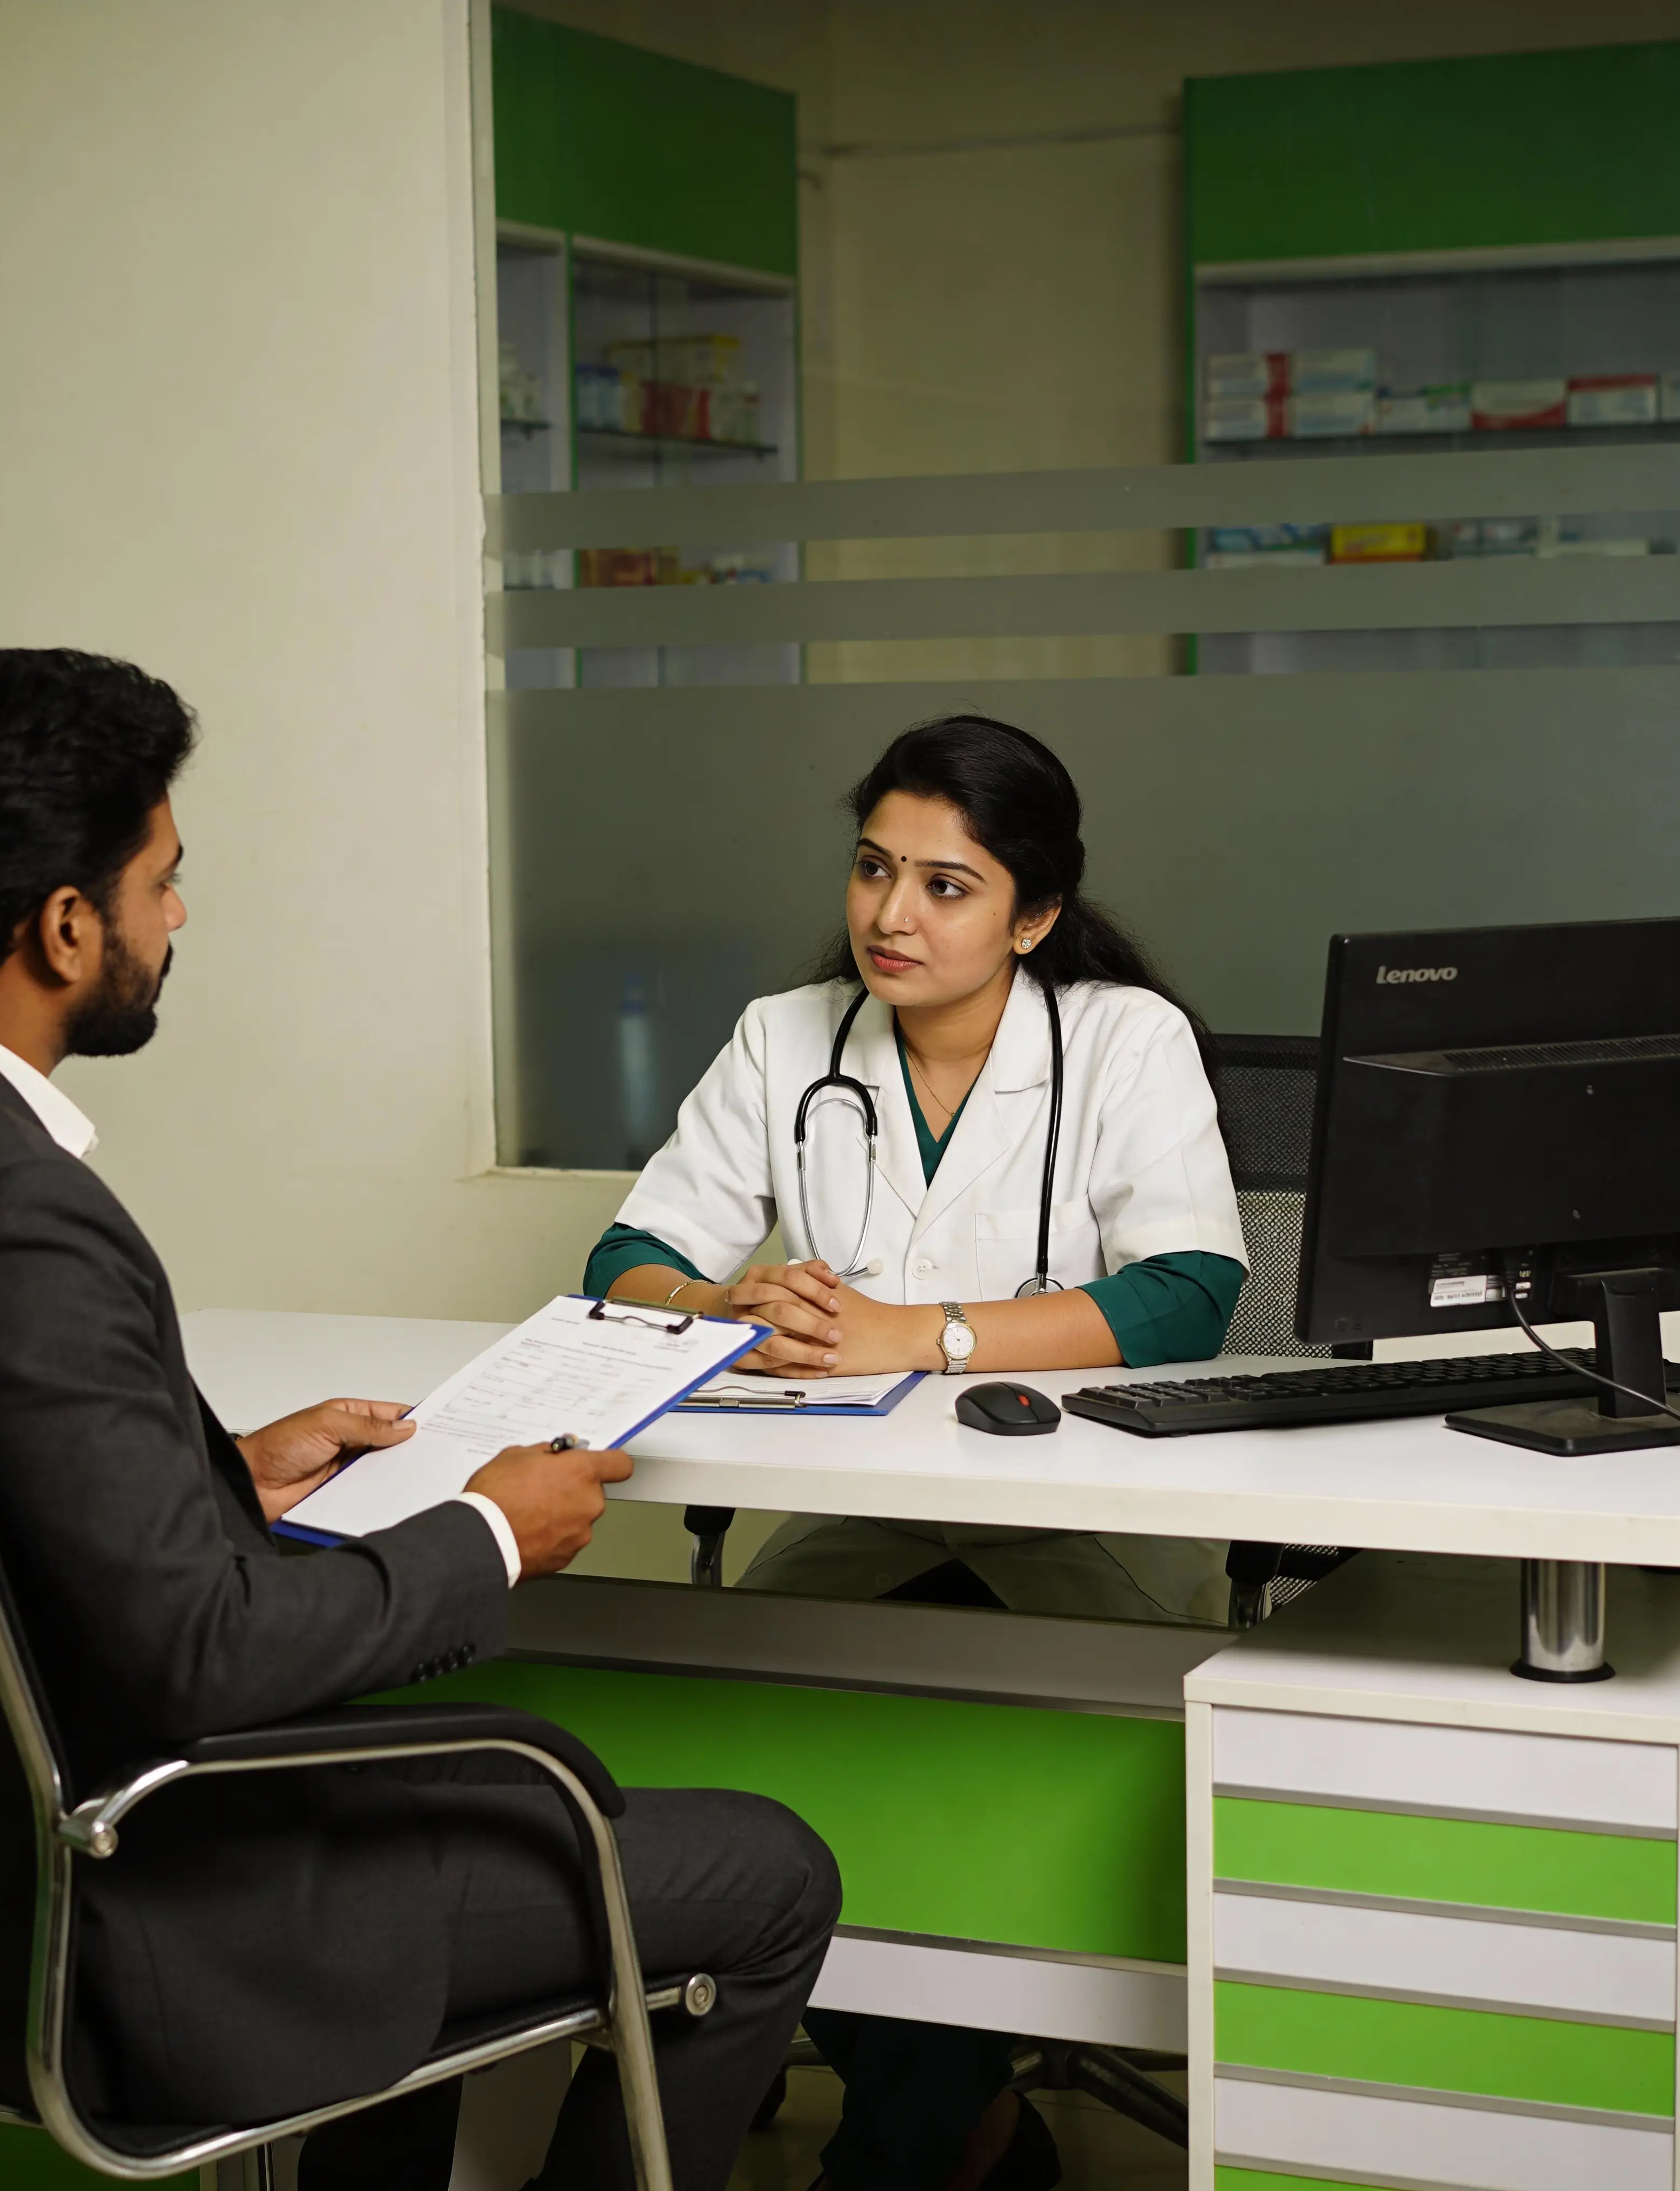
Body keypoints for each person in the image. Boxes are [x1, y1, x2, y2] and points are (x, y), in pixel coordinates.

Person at [0, 648, 840, 2191]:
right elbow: (200, 1659)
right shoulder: (21, 1209)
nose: (180, 919)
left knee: (491, 1778)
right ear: (64, 926)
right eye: (164, 881)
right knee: (768, 1871)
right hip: (133, 1911)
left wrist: (215, 1469)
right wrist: (495, 1528)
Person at [581, 713, 1248, 2190]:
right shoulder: (785, 1036)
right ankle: (972, 2136)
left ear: (1038, 915)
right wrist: (720, 1299)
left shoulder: (1125, 1042)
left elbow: (1191, 1293)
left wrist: (917, 1335)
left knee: (952, 1762)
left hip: (1087, 1535)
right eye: (875, 869)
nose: (892, 914)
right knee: (792, 1780)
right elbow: (623, 1258)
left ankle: (896, 2159)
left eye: (948, 885)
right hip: (856, 1523)